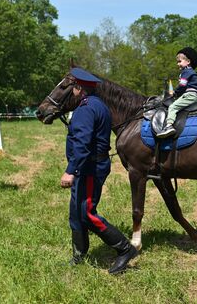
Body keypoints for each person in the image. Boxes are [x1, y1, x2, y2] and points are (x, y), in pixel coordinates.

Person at [61, 67, 138, 274]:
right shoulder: (98, 104)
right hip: (90, 165)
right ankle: (79, 255)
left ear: (78, 88)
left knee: (86, 213)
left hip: (89, 167)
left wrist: (70, 170)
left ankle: (124, 249)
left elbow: (82, 145)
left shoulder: (85, 109)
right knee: (75, 211)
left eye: (72, 88)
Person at [157, 47, 197, 138]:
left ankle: (169, 126)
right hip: (194, 95)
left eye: (179, 61)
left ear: (188, 62)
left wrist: (174, 93)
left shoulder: (186, 71)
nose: (178, 64)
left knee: (173, 107)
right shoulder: (190, 72)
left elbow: (182, 85)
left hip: (189, 95)